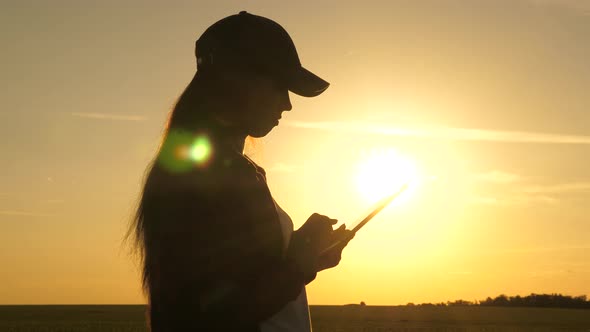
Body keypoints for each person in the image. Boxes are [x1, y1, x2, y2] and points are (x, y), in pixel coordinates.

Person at [126, 11, 354, 332]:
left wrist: (307, 257)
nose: (287, 104)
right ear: (237, 80)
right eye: (279, 86)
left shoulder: (208, 169)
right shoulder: (217, 175)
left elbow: (236, 284)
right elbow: (215, 313)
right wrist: (297, 265)